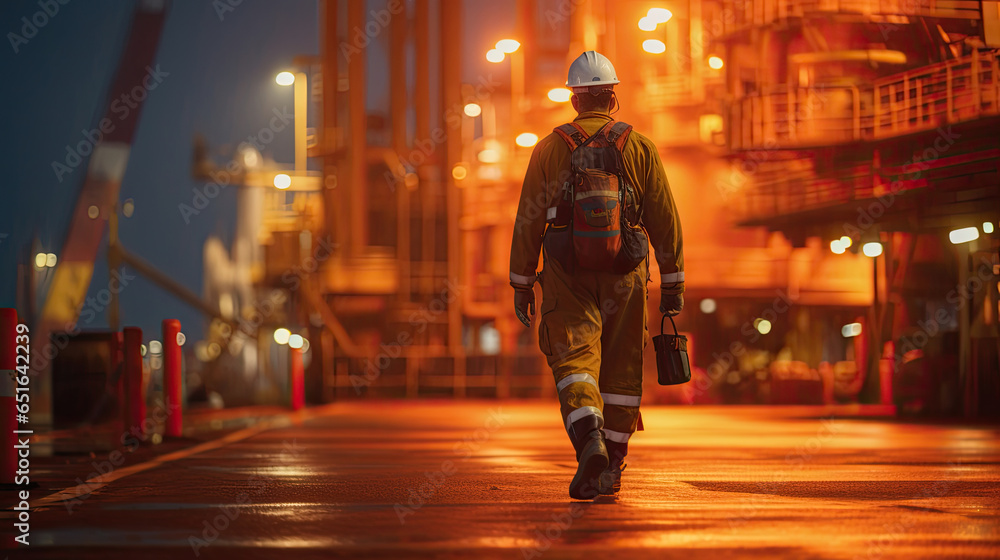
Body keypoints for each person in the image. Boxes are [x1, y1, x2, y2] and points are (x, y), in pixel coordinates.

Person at [508, 51, 684, 499]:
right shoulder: (640, 146)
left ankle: (590, 440)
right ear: (612, 96)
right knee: (623, 369)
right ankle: (613, 469)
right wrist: (673, 282)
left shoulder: (548, 148)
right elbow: (664, 217)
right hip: (625, 272)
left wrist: (522, 282)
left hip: (567, 271)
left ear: (574, 99)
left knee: (574, 360)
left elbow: (528, 219)